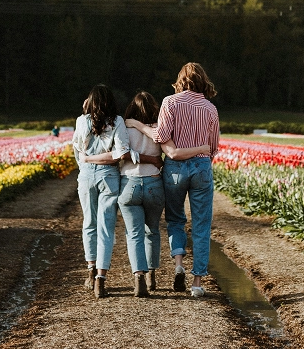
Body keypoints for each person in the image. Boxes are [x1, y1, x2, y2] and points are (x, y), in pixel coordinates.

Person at [128, 63, 219, 298]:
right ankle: (197, 282)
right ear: (203, 81)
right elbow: (214, 147)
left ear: (180, 80)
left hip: (175, 169)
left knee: (176, 218)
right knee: (201, 225)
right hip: (201, 167)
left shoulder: (170, 102)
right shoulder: (210, 109)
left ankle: (178, 264)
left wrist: (137, 125)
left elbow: (160, 136)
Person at [72, 84, 130, 299]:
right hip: (109, 176)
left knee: (89, 223)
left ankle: (90, 269)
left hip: (86, 175)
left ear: (90, 102)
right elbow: (121, 153)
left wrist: (87, 161)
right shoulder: (118, 121)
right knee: (106, 227)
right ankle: (101, 280)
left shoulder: (81, 121)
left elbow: (79, 151)